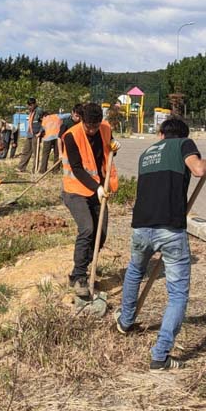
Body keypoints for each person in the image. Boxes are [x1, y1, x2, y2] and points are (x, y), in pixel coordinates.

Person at [114, 118, 206, 370]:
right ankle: (160, 355)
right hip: (170, 230)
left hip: (141, 227)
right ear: (180, 135)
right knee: (177, 294)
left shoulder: (146, 152)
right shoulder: (183, 144)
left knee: (134, 272)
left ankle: (126, 320)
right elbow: (197, 169)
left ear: (161, 134)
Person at [60, 102, 119, 297]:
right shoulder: (71, 136)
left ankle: (84, 266)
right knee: (87, 229)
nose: (93, 130)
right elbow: (77, 168)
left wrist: (114, 147)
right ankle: (78, 277)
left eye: (96, 125)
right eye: (89, 126)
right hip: (75, 189)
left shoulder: (105, 128)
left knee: (100, 234)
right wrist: (97, 187)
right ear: (82, 120)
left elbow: (107, 150)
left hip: (98, 189)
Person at [16, 97, 43, 173]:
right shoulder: (31, 111)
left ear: (34, 104)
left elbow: (44, 122)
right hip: (30, 133)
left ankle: (35, 170)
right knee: (26, 151)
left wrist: (40, 132)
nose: (29, 107)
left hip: (36, 134)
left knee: (35, 152)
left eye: (30, 105)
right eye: (28, 105)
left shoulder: (39, 111)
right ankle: (21, 167)